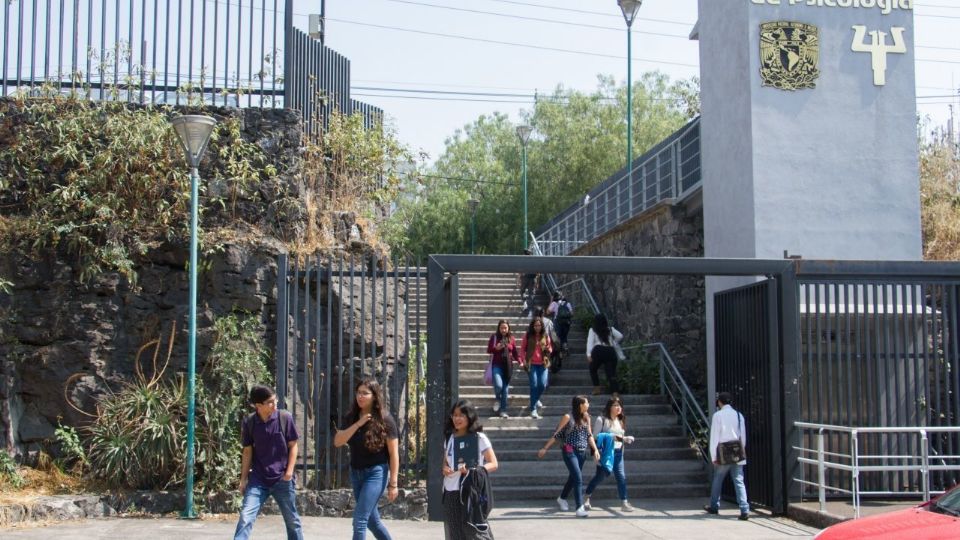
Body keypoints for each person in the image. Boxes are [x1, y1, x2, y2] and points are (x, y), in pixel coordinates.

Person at [234, 385, 304, 540]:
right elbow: (247, 452)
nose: (275, 404)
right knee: (246, 516)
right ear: (258, 405)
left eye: (275, 400)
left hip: (282, 479)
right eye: (270, 402)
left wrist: (289, 473)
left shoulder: (284, 418)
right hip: (258, 480)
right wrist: (243, 479)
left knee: (292, 521)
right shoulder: (250, 422)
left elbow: (293, 446)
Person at [334, 378, 400, 539]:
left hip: (376, 473)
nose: (360, 396)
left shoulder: (386, 419)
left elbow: (394, 453)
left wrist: (393, 484)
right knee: (372, 521)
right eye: (358, 393)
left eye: (365, 393)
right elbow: (338, 441)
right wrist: (358, 423)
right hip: (356, 473)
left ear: (375, 396)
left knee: (360, 520)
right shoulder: (351, 417)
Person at [441, 399, 499, 540]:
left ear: (469, 416)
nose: (457, 418)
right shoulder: (449, 438)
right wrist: (445, 469)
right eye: (454, 415)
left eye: (461, 415)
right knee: (455, 534)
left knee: (476, 533)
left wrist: (473, 470)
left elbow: (493, 463)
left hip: (470, 492)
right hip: (451, 492)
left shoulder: (479, 438)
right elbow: (445, 462)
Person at [537, 395, 600, 518]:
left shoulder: (587, 417)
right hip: (569, 450)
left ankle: (562, 498)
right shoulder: (568, 417)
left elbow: (589, 435)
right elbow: (557, 434)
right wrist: (545, 448)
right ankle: (579, 507)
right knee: (578, 477)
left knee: (573, 478)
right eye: (586, 403)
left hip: (582, 452)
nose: (588, 405)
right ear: (580, 405)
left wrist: (595, 449)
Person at [583, 396, 636, 512]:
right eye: (616, 405)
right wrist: (620, 438)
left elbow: (621, 437)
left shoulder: (620, 420)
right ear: (609, 407)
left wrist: (624, 439)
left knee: (621, 477)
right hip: (606, 453)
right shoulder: (601, 419)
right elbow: (596, 436)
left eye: (620, 405)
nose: (619, 408)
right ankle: (587, 497)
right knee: (600, 476)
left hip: (618, 453)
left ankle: (624, 502)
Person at [703, 392, 750, 521]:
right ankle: (744, 509)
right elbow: (743, 437)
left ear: (719, 402)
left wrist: (713, 456)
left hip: (723, 451)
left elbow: (714, 437)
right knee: (739, 480)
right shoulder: (739, 415)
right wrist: (741, 452)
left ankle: (714, 506)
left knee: (718, 479)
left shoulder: (718, 416)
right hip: (737, 451)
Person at [520, 317, 552, 419]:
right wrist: (522, 360)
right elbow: (522, 349)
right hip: (531, 363)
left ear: (542, 326)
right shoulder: (528, 335)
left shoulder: (545, 335)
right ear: (532, 326)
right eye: (535, 325)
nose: (537, 327)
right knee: (534, 385)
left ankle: (536, 398)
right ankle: (533, 409)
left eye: (539, 325)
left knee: (542, 384)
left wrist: (549, 349)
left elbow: (550, 347)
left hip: (543, 363)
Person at [486, 320, 520, 418]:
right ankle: (497, 398)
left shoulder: (511, 338)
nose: (503, 330)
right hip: (496, 365)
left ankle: (503, 410)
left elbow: (514, 353)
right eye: (501, 328)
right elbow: (489, 350)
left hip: (508, 366)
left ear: (508, 328)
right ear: (499, 328)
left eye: (505, 328)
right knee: (499, 385)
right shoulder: (494, 337)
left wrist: (520, 361)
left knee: (505, 390)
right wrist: (495, 348)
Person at [586, 314, 624, 396]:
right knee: (611, 373)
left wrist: (588, 354)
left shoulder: (592, 330)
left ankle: (597, 389)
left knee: (593, 369)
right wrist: (614, 342)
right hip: (610, 351)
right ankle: (615, 392)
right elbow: (620, 336)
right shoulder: (610, 329)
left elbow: (590, 342)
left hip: (598, 350)